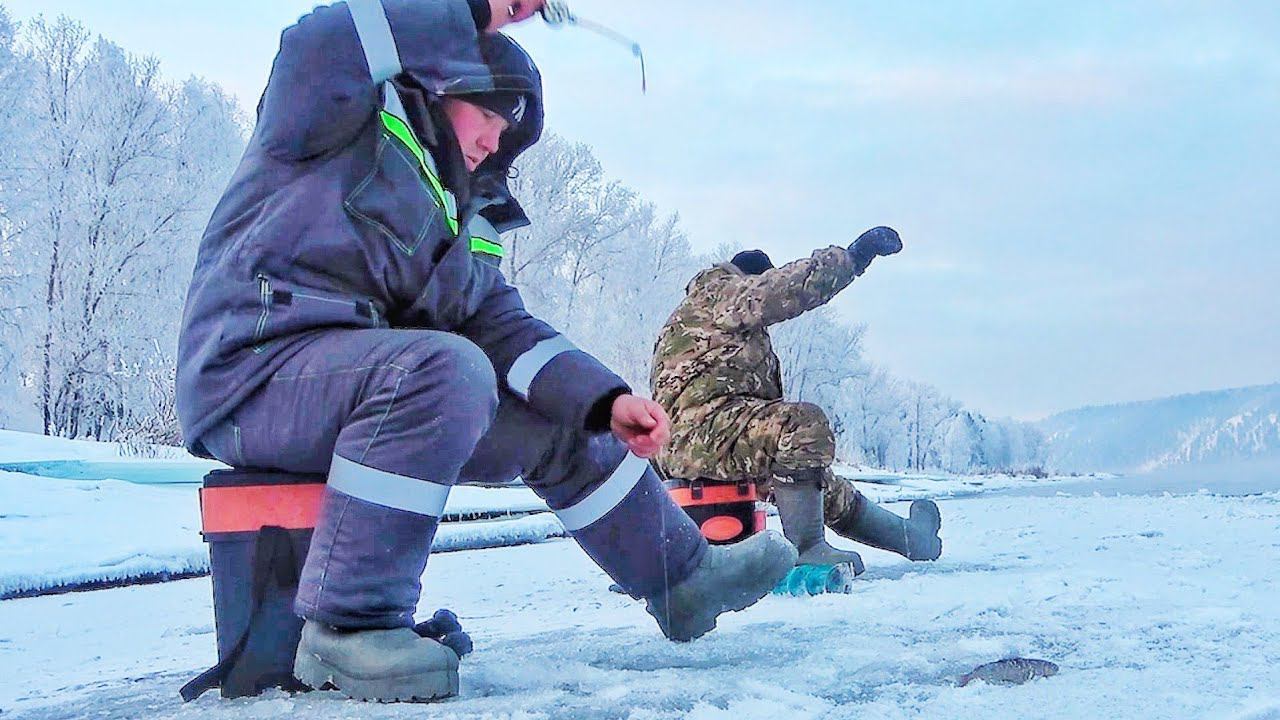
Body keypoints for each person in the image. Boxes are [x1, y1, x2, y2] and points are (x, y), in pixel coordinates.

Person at [176, 0, 795, 703]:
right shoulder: (332, 113)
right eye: (488, 118)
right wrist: (478, 8)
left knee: (554, 415)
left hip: (360, 391)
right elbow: (327, 35)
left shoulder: (459, 214)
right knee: (446, 368)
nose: (493, 144)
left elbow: (499, 326)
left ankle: (682, 579)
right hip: (250, 372)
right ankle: (350, 627)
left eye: (507, 133)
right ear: (441, 88)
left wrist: (607, 401)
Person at [651, 229, 943, 578]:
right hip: (701, 437)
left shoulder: (709, 322)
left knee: (819, 485)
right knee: (802, 425)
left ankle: (912, 539)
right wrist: (852, 259)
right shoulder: (719, 292)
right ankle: (807, 548)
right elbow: (779, 290)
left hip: (699, 442)